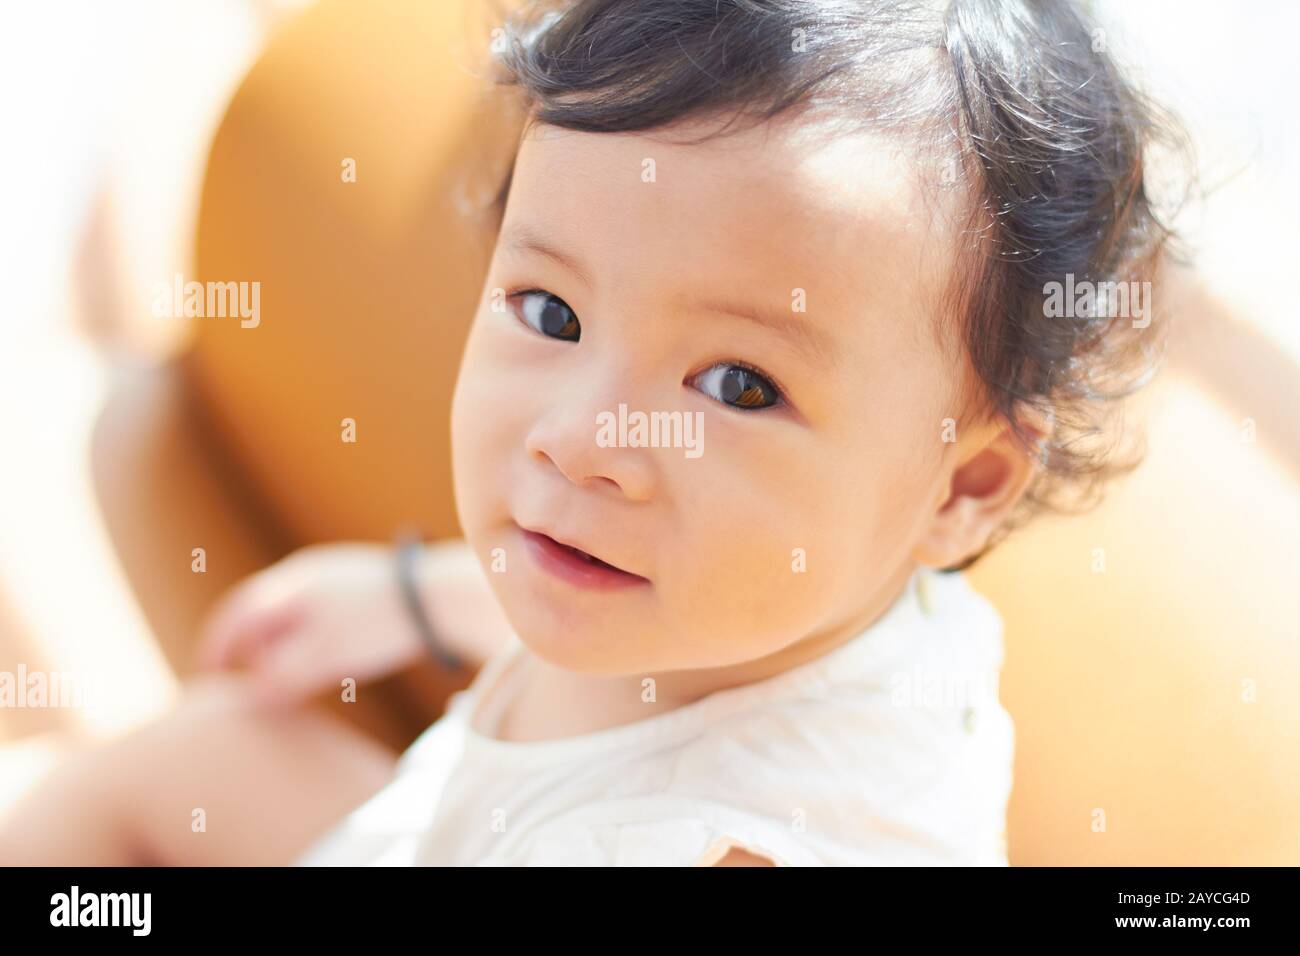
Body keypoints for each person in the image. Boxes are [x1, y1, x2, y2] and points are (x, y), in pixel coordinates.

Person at [0, 0, 1180, 866]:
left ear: (961, 485)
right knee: (206, 754)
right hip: (437, 823)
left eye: (735, 384)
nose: (580, 439)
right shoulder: (762, 588)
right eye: (551, 311)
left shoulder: (750, 843)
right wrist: (413, 594)